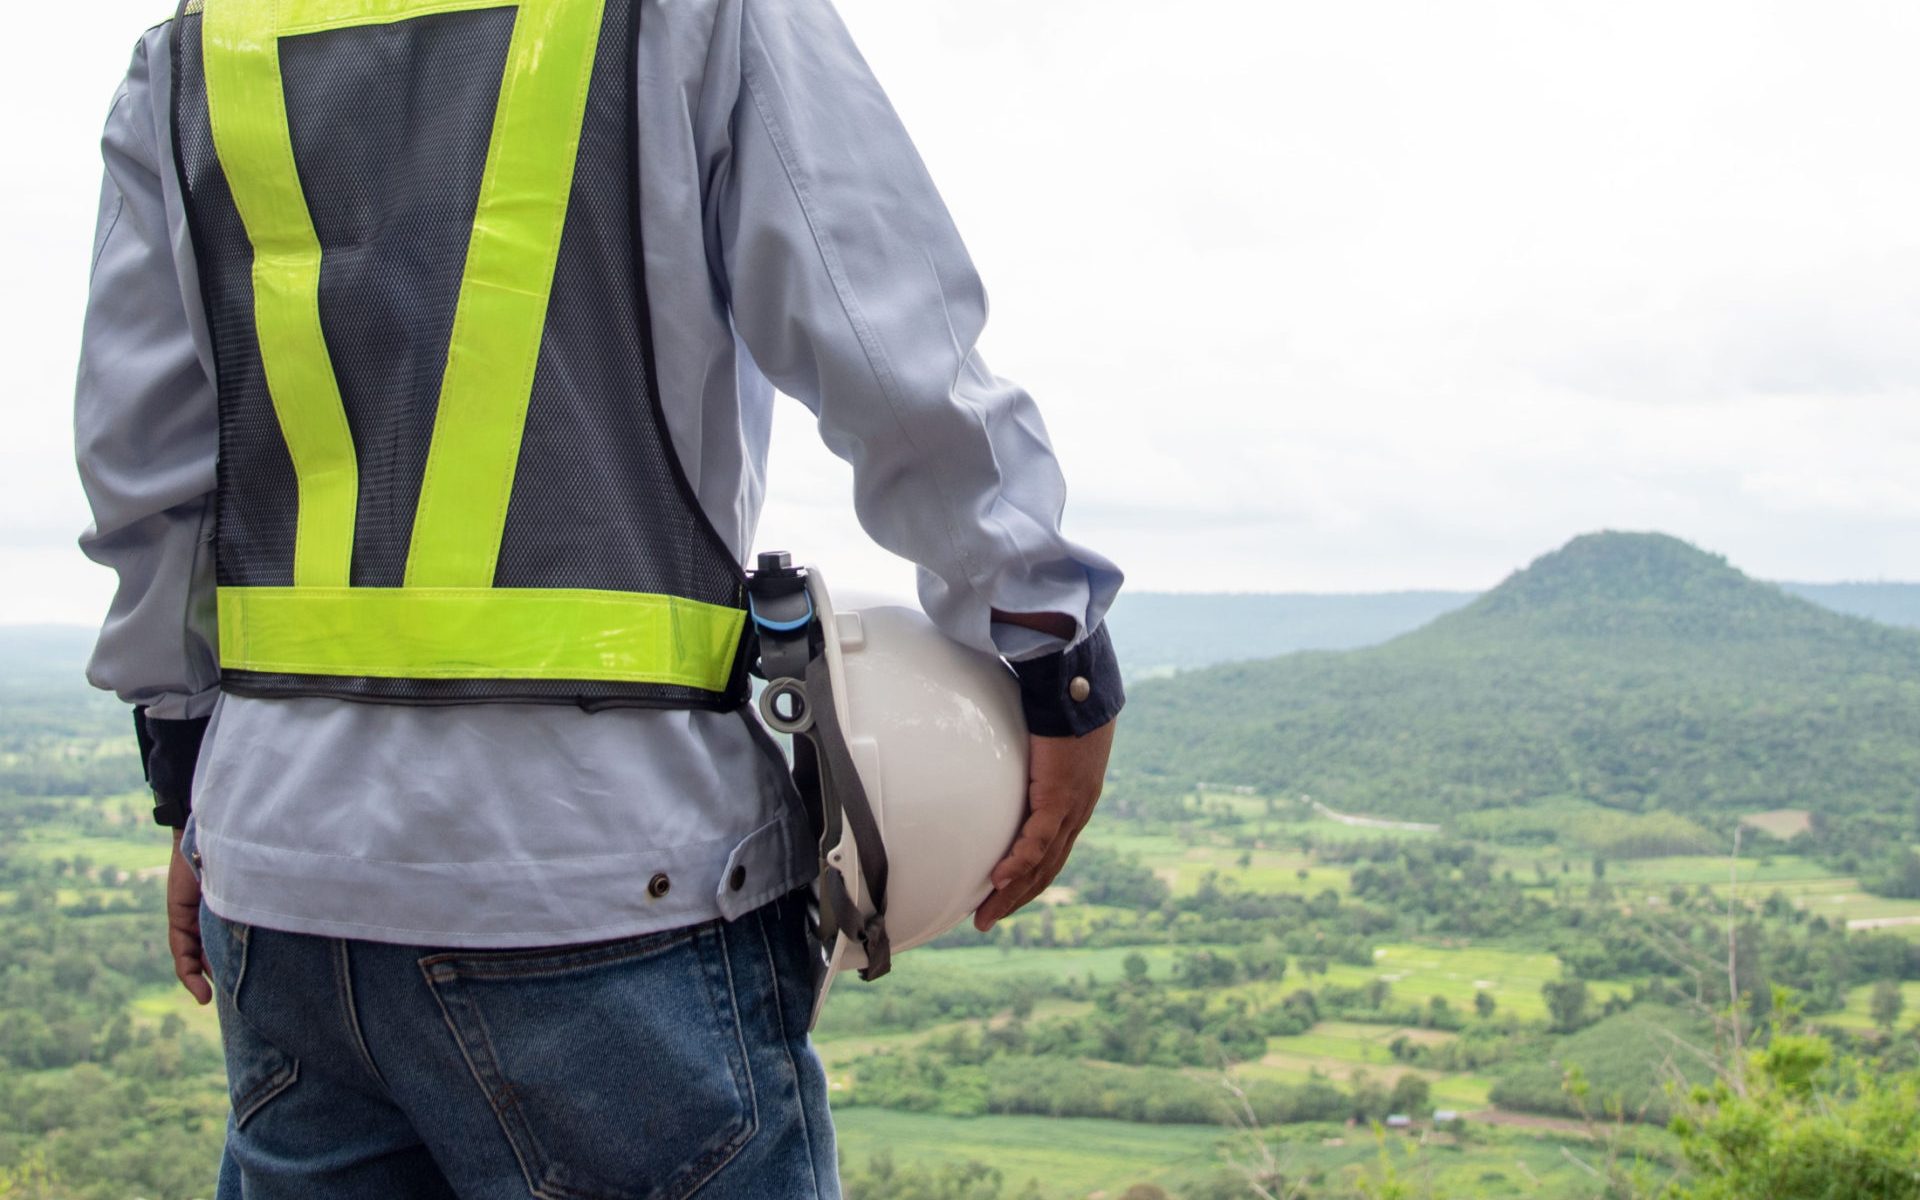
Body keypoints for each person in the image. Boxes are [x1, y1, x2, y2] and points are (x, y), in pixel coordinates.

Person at [74, 0, 1123, 1196]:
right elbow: (887, 340)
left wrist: (192, 771)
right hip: (606, 879)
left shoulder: (198, 48)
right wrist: (1051, 644)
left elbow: (142, 469)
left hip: (285, 885)